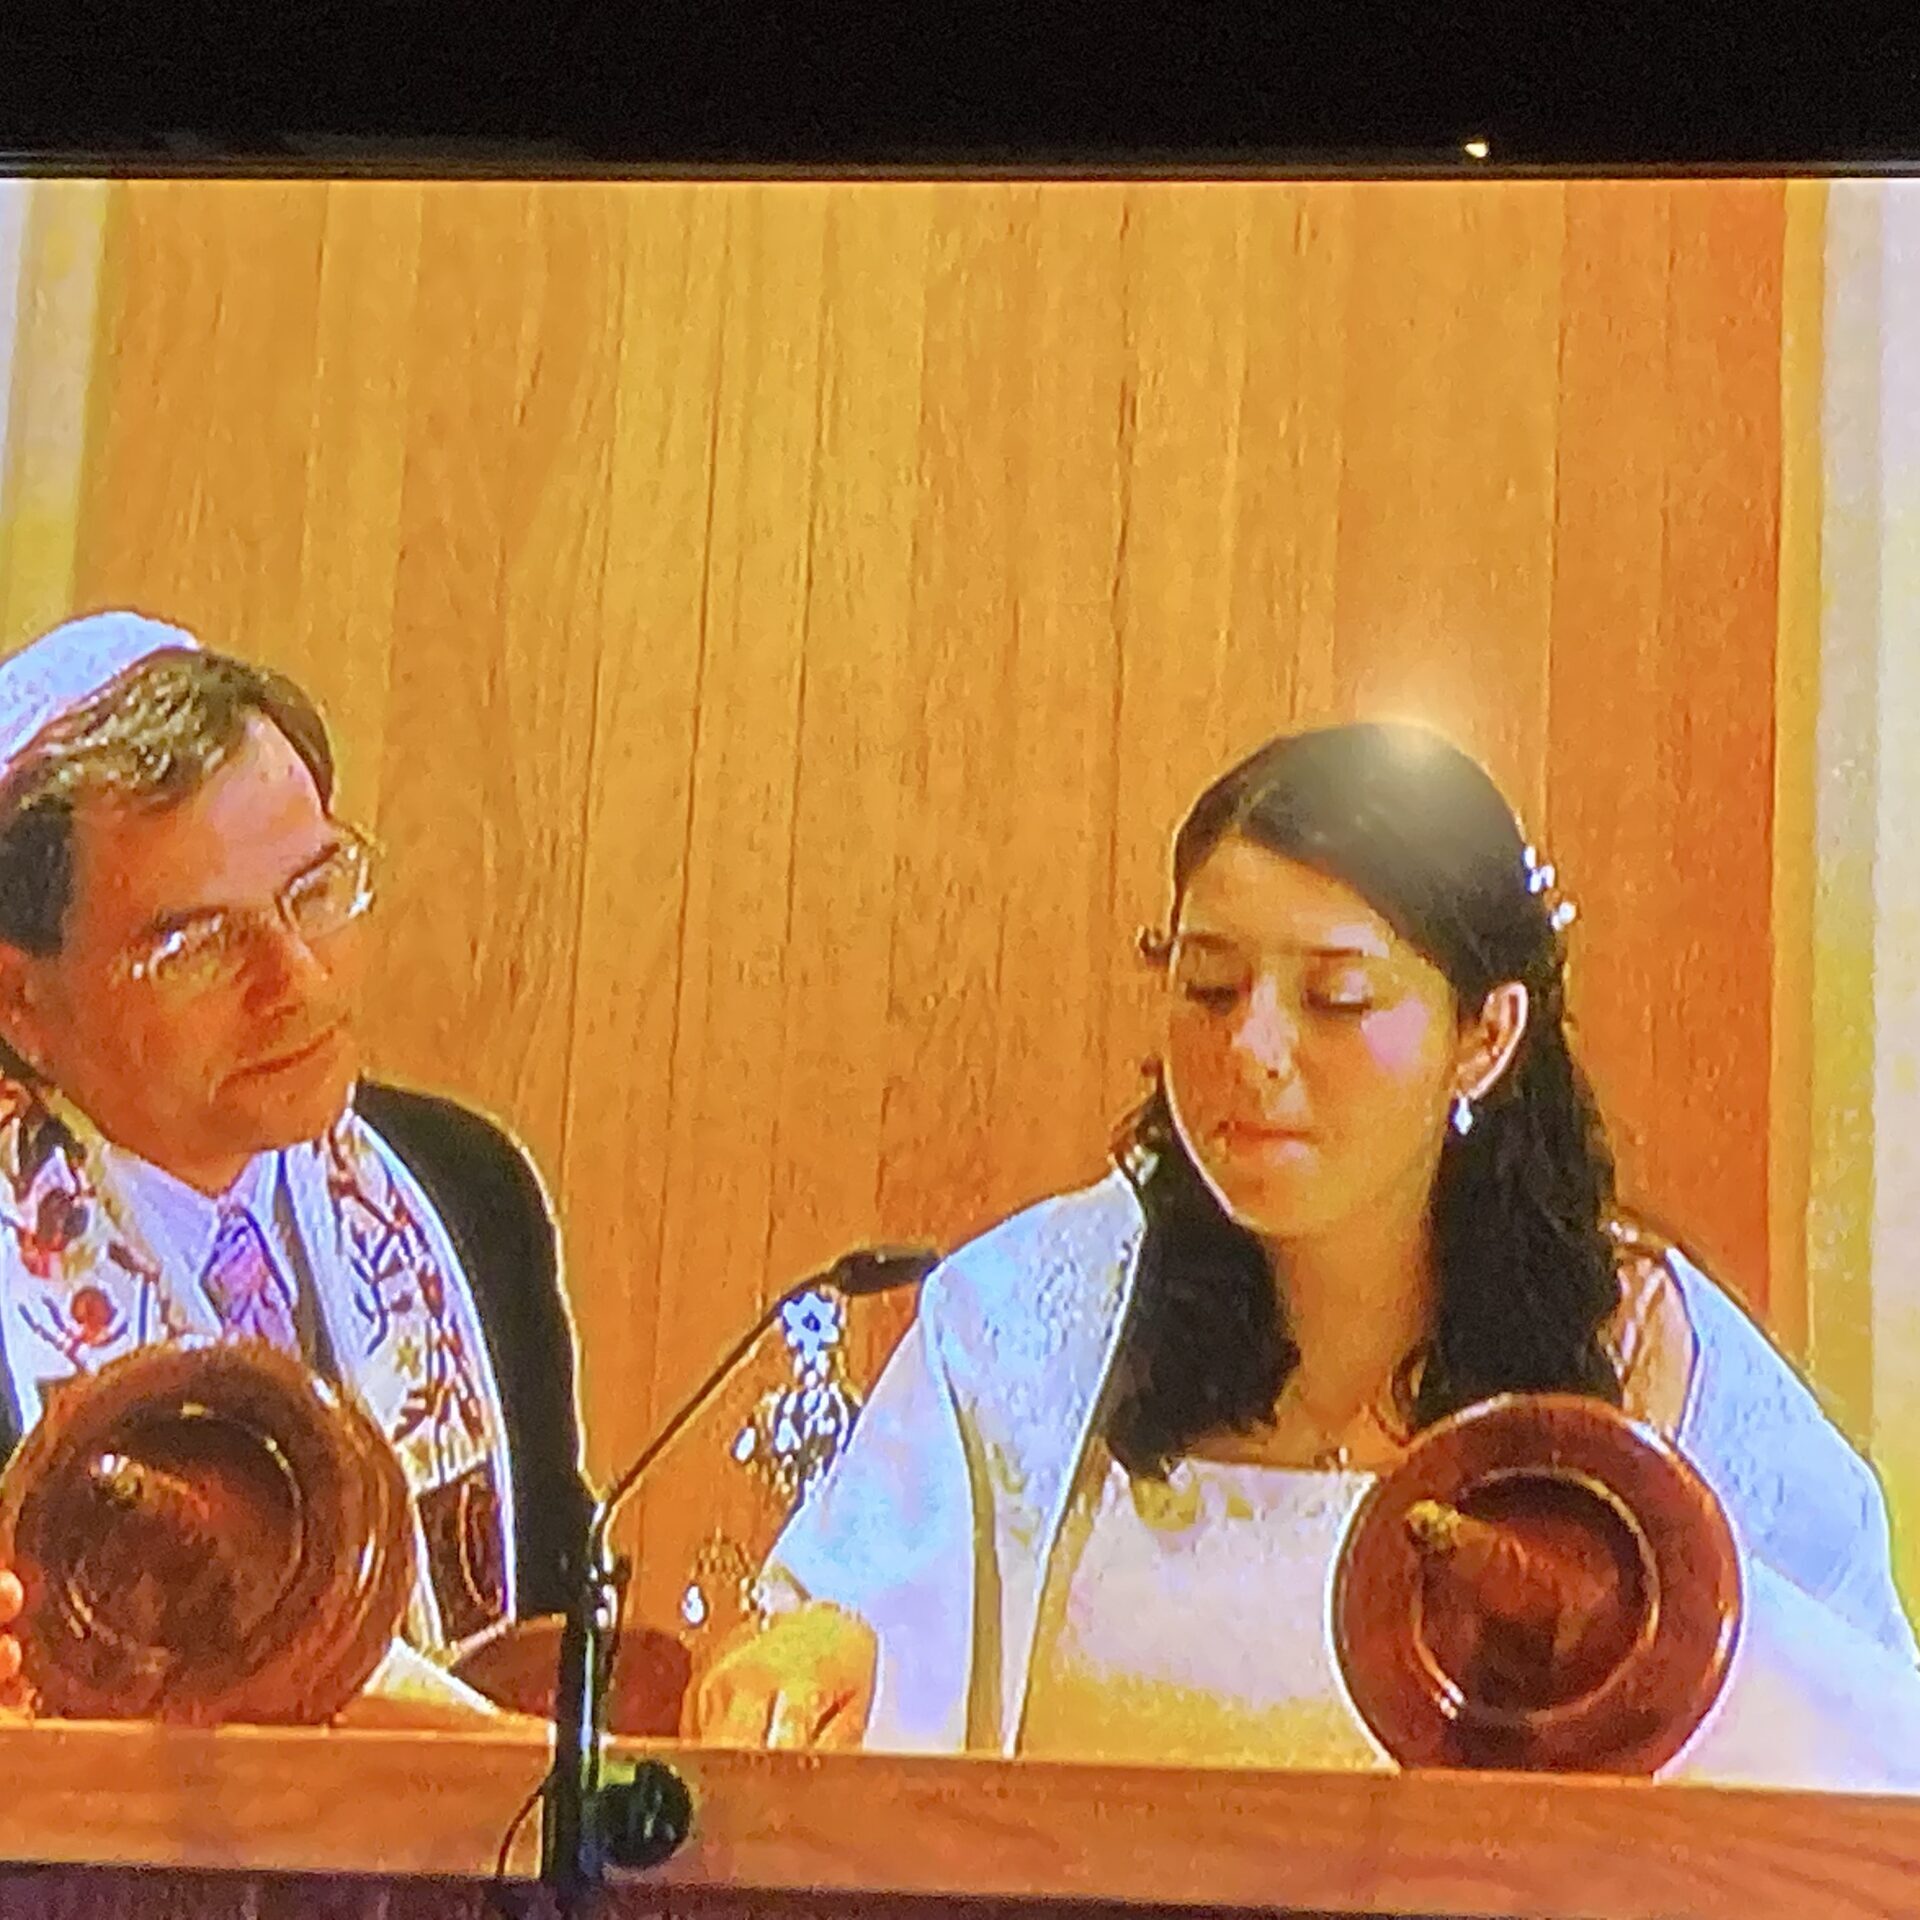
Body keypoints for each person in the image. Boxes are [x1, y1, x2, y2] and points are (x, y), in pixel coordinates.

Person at [692, 720, 1920, 1792]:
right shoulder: (1032, 1315)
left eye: (1334, 1000)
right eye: (1209, 986)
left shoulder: (1638, 1340)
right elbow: (857, 1627)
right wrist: (817, 1656)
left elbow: (1865, 1757)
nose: (1253, 1052)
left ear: (1484, 1035)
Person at [0, 610, 591, 1712]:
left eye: (314, 892)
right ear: (24, 1001)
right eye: (198, 943)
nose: (301, 983)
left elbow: (552, 1653)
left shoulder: (466, 1191)